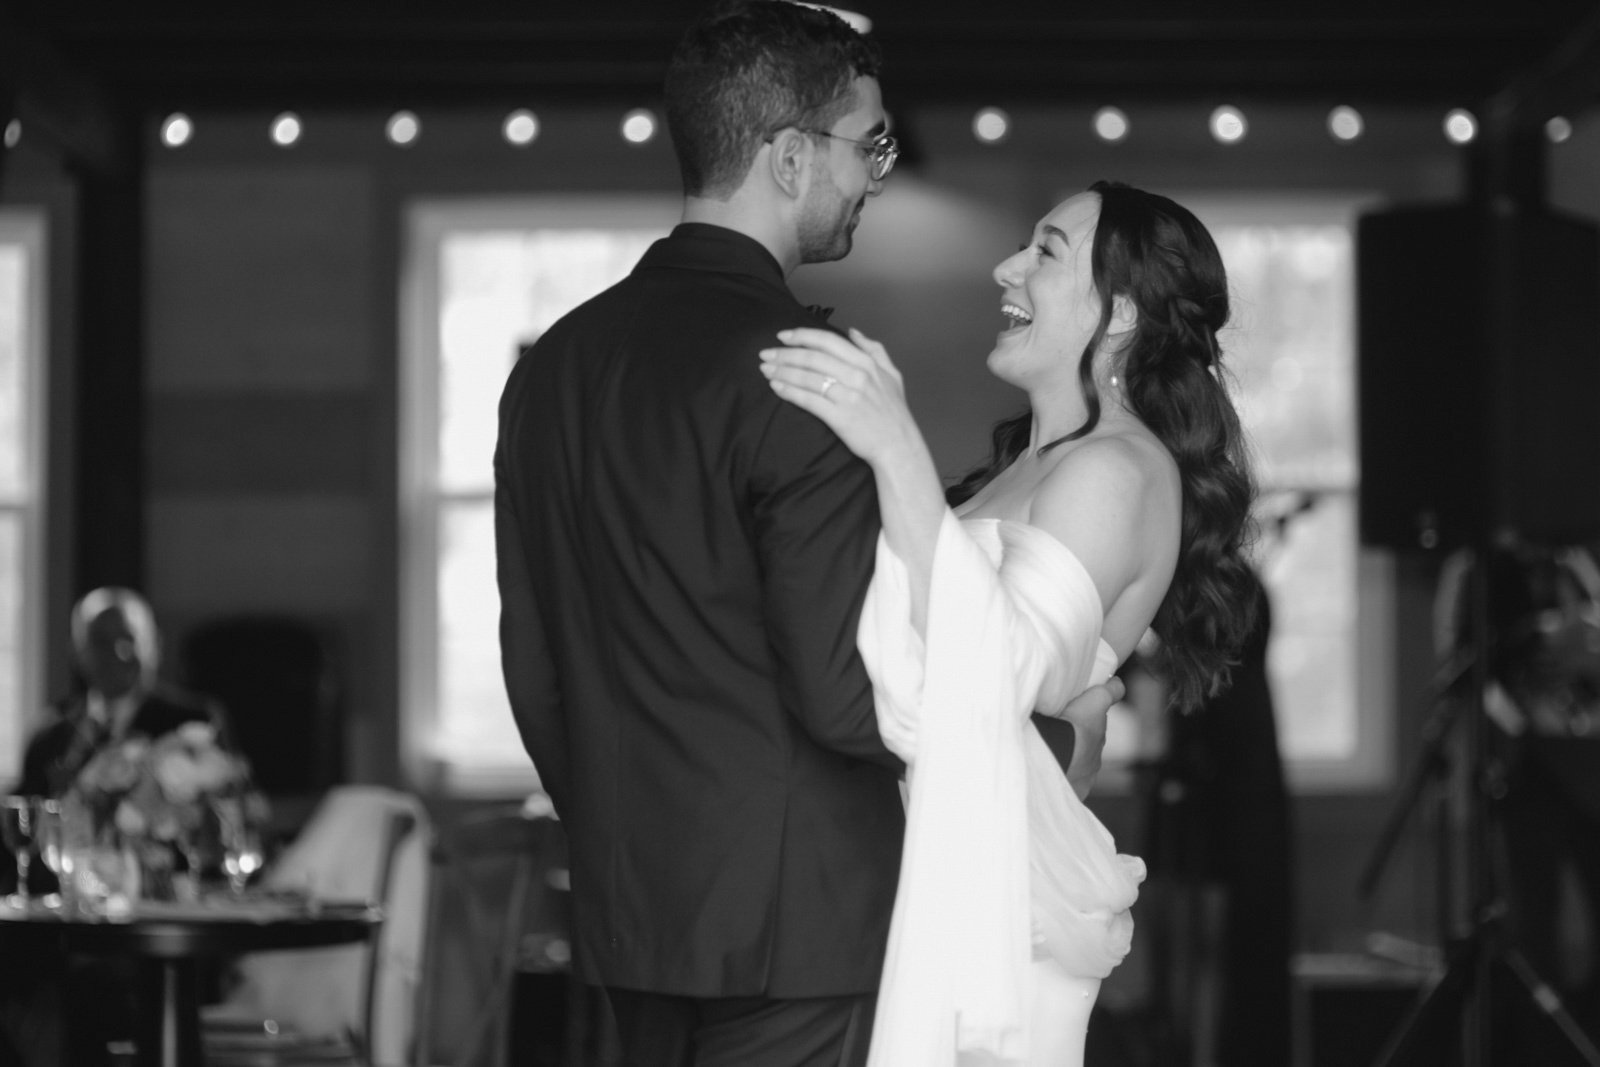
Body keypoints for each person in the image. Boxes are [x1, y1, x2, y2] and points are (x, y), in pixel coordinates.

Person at [493, 3, 1116, 1064]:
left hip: (632, 915)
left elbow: (535, 668)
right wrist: (1048, 744)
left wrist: (621, 838)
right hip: (802, 926)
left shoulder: (551, 366)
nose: (876, 175)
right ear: (789, 159)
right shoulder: (808, 373)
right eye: (868, 144)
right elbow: (841, 693)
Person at [760, 179, 1258, 1065]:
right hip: (927, 862)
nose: (1006, 267)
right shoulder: (1028, 468)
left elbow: (1002, 669)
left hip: (1000, 901)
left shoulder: (1116, 469)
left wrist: (895, 451)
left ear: (1121, 314)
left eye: (1045, 252)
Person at [16, 586, 229, 800]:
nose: (118, 653)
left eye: (128, 639)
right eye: (102, 642)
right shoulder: (49, 737)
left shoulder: (192, 723)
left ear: (154, 645)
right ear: (77, 652)